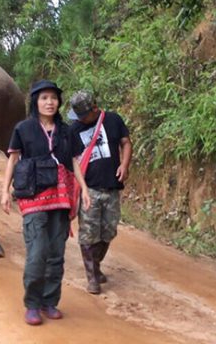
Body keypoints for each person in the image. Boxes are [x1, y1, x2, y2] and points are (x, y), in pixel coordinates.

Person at [1, 80, 91, 326]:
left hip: (61, 200)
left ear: (59, 102)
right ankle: (32, 304)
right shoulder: (23, 129)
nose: (49, 102)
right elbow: (13, 159)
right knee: (37, 253)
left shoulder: (67, 131)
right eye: (44, 98)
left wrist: (83, 189)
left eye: (53, 98)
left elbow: (74, 161)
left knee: (56, 255)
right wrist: (5, 190)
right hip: (33, 197)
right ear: (35, 102)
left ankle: (49, 302)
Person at [68, 90, 133, 295]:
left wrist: (125, 164)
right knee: (88, 234)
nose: (80, 119)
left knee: (108, 231)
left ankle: (95, 265)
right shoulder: (74, 129)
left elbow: (126, 142)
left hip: (112, 188)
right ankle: (92, 277)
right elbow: (71, 160)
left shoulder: (113, 120)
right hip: (89, 189)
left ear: (94, 109)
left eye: (83, 115)